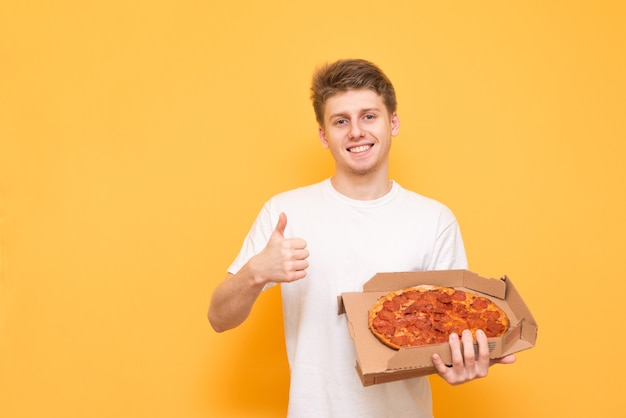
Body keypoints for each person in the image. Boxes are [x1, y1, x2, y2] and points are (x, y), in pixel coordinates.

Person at [208, 58, 515, 418]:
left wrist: (465, 362)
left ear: (393, 122)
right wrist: (255, 272)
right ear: (324, 135)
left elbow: (453, 331)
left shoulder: (434, 220)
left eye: (369, 116)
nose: (356, 131)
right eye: (341, 121)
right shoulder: (285, 213)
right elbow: (219, 318)